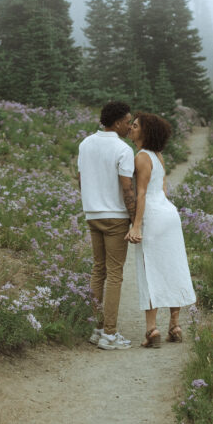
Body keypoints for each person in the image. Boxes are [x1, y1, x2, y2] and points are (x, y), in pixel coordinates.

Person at [126, 112, 196, 347]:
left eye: (135, 126)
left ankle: (152, 331)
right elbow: (163, 191)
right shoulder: (158, 156)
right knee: (173, 266)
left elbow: (142, 193)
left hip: (153, 217)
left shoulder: (141, 157)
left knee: (150, 271)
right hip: (168, 213)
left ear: (145, 132)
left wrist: (136, 225)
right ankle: (175, 326)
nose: (131, 129)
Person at [77, 101, 136, 350]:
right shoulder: (123, 149)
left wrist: (91, 201)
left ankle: (97, 328)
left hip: (93, 214)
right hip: (115, 217)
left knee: (98, 270)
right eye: (128, 122)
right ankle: (110, 334)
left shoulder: (85, 144)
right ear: (118, 122)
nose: (130, 126)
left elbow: (80, 178)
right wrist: (134, 219)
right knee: (114, 274)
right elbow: (127, 188)